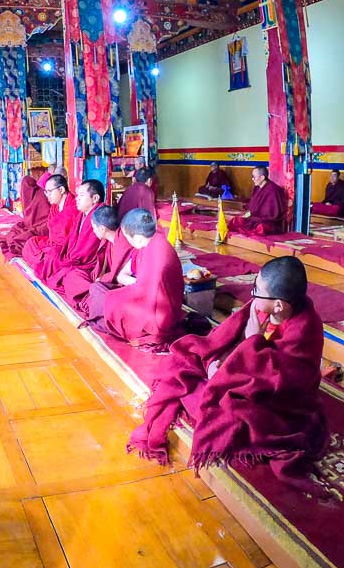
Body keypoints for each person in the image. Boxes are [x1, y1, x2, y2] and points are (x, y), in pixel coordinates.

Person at [128, 256, 328, 491]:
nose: (253, 295)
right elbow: (227, 338)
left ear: (279, 306)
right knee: (183, 362)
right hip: (248, 369)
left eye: (257, 290)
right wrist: (218, 361)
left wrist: (251, 343)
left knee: (227, 414)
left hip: (283, 401)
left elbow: (280, 379)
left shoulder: (305, 330)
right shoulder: (262, 307)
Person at [93, 208, 186, 350]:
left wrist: (119, 295)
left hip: (157, 317)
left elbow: (148, 294)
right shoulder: (154, 241)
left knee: (107, 301)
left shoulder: (155, 252)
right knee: (103, 295)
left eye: (128, 238)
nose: (128, 242)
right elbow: (142, 284)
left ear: (138, 237)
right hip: (153, 301)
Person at [37, 180, 106, 288]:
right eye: (77, 195)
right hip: (73, 257)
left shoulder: (100, 217)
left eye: (81, 195)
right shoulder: (81, 215)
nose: (77, 198)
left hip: (85, 264)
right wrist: (65, 256)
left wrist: (68, 260)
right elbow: (70, 239)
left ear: (95, 198)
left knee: (71, 276)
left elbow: (87, 252)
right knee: (51, 257)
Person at [60, 204, 126, 312]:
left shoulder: (123, 243)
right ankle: (90, 292)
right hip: (102, 281)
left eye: (94, 228)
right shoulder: (108, 241)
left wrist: (101, 280)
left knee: (100, 293)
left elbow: (118, 275)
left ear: (102, 229)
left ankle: (90, 294)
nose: (93, 231)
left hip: (116, 286)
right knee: (73, 275)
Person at [21, 174, 79, 271]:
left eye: (49, 192)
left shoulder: (74, 207)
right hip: (52, 242)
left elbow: (71, 237)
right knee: (31, 243)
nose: (47, 196)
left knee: (52, 256)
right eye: (46, 192)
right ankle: (43, 262)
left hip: (65, 248)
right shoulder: (54, 207)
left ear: (61, 190)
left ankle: (44, 263)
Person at [0, 166, 51, 255]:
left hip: (44, 227)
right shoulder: (35, 193)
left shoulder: (43, 195)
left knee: (22, 236)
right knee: (16, 230)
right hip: (33, 226)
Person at [228, 166, 287, 235]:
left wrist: (254, 217)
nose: (252, 179)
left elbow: (272, 214)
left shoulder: (273, 190)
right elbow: (253, 204)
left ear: (262, 177)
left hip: (268, 221)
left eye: (254, 177)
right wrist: (249, 214)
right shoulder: (257, 188)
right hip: (255, 218)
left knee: (261, 228)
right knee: (236, 221)